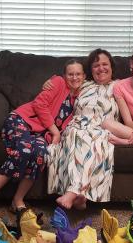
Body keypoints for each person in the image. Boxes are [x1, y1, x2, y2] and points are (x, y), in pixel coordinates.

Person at [0, 59, 86, 220]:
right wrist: (55, 132)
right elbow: (39, 104)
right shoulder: (58, 82)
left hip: (40, 134)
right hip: (21, 121)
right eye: (70, 74)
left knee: (40, 155)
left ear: (84, 76)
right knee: (24, 150)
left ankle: (17, 200)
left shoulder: (81, 98)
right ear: (64, 76)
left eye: (78, 74)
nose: (74, 77)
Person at [47, 49, 120, 210]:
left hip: (102, 127)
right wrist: (49, 81)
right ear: (90, 70)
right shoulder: (84, 84)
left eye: (105, 64)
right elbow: (64, 82)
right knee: (75, 134)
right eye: (96, 65)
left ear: (112, 67)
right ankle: (80, 196)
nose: (101, 68)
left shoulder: (119, 86)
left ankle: (73, 191)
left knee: (94, 140)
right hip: (77, 125)